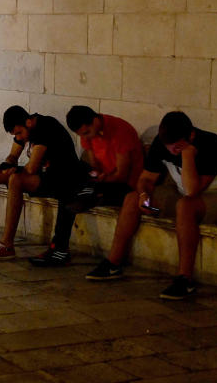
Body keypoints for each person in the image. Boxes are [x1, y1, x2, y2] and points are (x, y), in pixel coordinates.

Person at [86, 111, 217, 299]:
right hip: (184, 194)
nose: (172, 152)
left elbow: (192, 191)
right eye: (168, 147)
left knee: (185, 206)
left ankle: (184, 280)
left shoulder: (213, 145)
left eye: (177, 147)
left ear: (191, 136)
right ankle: (113, 263)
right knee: (132, 198)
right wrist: (145, 195)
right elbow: (145, 178)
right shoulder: (162, 143)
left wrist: (187, 155)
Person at [0, 106, 83, 260]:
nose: (20, 137)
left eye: (20, 133)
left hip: (61, 178)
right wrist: (9, 164)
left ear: (28, 122)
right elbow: (13, 155)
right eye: (15, 134)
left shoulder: (46, 127)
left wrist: (13, 171)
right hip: (42, 175)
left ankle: (6, 244)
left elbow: (31, 168)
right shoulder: (24, 128)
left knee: (16, 179)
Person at [30, 106, 144, 267]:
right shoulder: (88, 133)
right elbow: (94, 164)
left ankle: (86, 196)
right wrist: (95, 174)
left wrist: (100, 179)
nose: (85, 138)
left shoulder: (120, 131)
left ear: (95, 121)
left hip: (125, 186)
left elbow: (122, 175)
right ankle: (59, 250)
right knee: (67, 189)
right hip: (103, 182)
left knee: (79, 192)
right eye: (81, 135)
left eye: (86, 133)